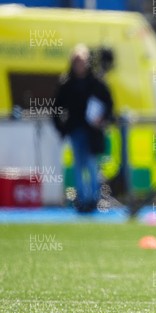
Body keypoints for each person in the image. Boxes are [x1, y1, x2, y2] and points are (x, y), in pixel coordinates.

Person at [53, 44, 114, 213]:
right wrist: (61, 128)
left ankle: (93, 199)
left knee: (92, 164)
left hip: (92, 132)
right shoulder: (67, 83)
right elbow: (57, 108)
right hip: (75, 130)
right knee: (79, 165)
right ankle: (82, 199)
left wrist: (102, 118)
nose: (80, 65)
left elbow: (109, 104)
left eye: (82, 61)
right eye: (76, 61)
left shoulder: (96, 82)